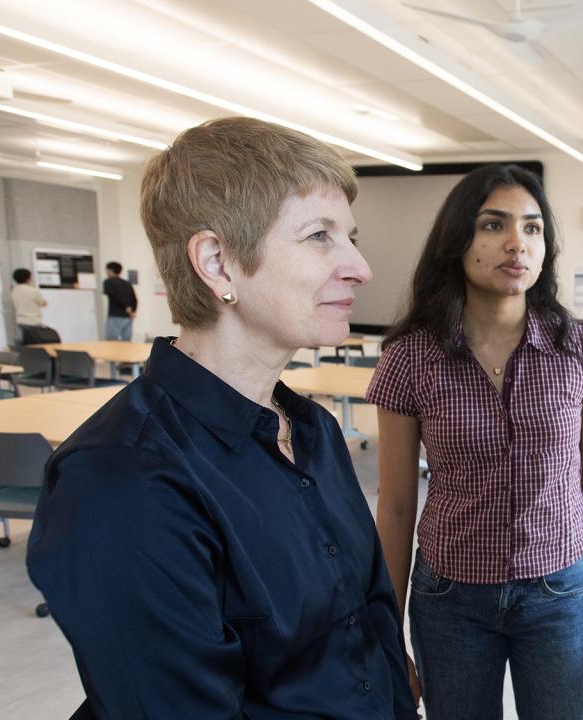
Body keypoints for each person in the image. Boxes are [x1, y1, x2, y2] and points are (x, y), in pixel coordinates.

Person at [26, 117, 415, 719]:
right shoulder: (122, 480)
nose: (360, 266)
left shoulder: (314, 431)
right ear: (217, 263)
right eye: (319, 236)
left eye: (351, 237)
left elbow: (370, 620)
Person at [369, 164, 583, 719]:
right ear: (457, 241)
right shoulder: (411, 358)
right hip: (449, 600)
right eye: (493, 225)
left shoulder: (578, 349)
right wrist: (388, 633)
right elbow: (393, 506)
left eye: (533, 228)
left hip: (560, 592)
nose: (517, 243)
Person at [102, 261, 138, 341]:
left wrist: (126, 307)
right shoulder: (127, 284)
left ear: (110, 270)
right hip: (127, 317)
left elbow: (115, 297)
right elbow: (134, 299)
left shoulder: (108, 282)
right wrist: (132, 311)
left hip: (115, 316)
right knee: (127, 342)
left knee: (111, 342)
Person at [10, 267, 48, 343]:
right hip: (33, 321)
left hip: (21, 321)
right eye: (31, 276)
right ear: (27, 278)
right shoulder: (32, 290)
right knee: (37, 344)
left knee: (26, 343)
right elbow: (43, 303)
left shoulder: (14, 290)